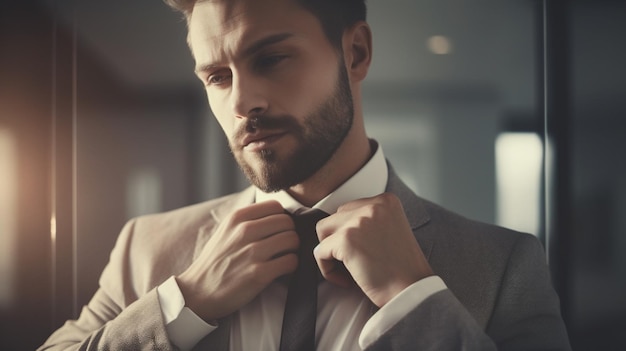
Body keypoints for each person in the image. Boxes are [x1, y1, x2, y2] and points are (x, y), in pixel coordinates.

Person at [39, 0, 571, 350]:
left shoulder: (503, 267)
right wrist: (185, 303)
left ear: (356, 52)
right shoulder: (148, 249)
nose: (242, 101)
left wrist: (413, 298)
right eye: (218, 77)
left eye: (271, 59)